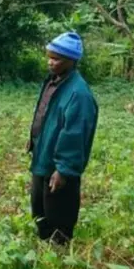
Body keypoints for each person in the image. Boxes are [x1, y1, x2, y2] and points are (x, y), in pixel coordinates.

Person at [27, 31, 99, 245]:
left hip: (59, 167)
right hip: (44, 157)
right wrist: (34, 138)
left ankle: (59, 255)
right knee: (39, 209)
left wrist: (64, 170)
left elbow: (75, 134)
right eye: (49, 57)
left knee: (59, 214)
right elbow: (44, 115)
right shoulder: (54, 82)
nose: (51, 62)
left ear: (72, 61)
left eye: (57, 59)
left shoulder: (79, 94)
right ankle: (43, 248)